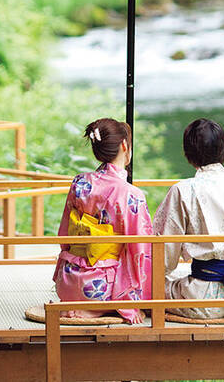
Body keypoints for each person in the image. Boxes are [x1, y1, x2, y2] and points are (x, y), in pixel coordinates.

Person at [153, 118, 224, 319]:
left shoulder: (184, 189)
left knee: (152, 288)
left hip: (202, 299)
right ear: (223, 149)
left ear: (188, 155)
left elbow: (163, 253)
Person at [53, 118, 153, 324]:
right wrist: (135, 303)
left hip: (68, 281)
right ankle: (102, 309)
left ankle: (79, 302)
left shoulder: (79, 182)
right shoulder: (130, 194)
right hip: (100, 288)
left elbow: (65, 235)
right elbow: (140, 250)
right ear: (125, 146)